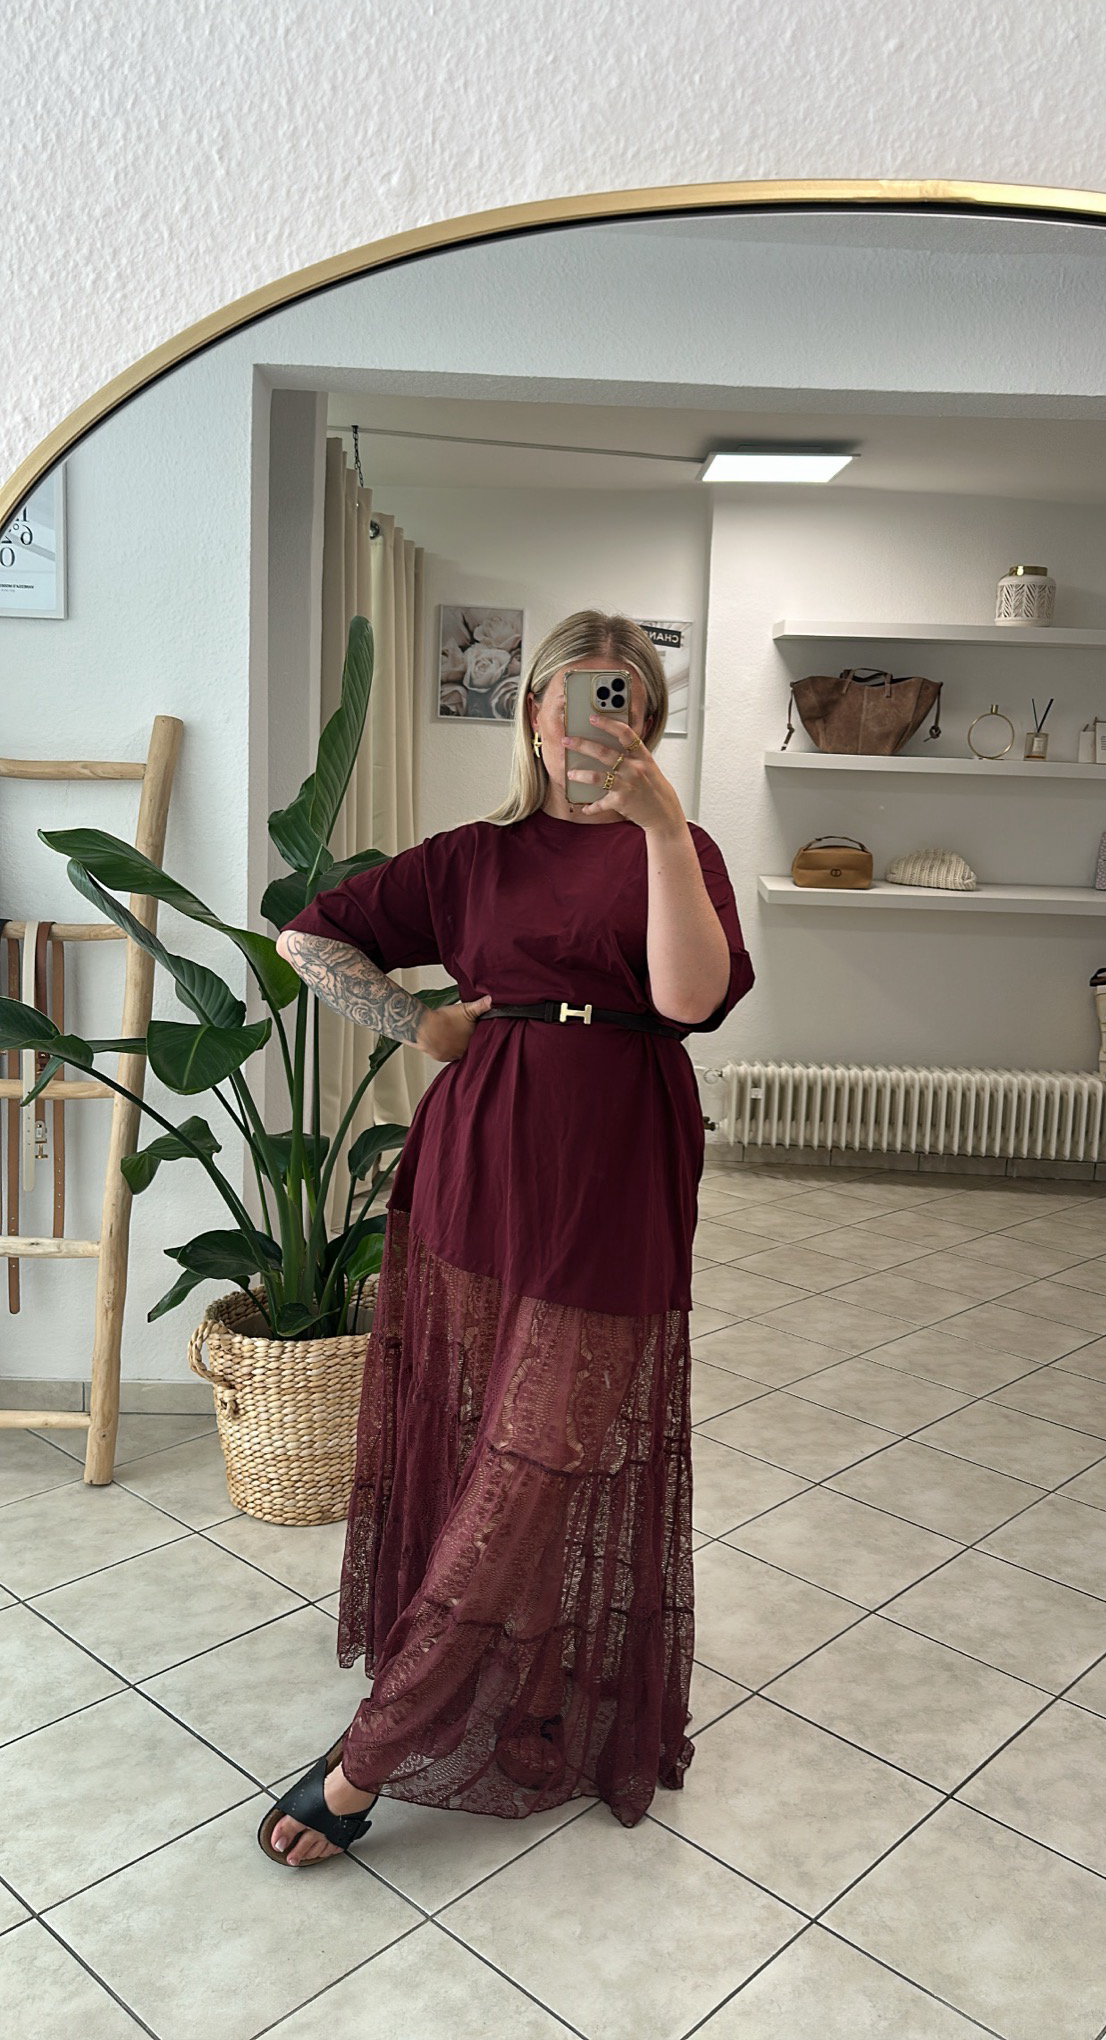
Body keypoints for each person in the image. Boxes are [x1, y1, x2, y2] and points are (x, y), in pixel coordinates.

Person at [261, 610, 754, 1867]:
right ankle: (507, 1675)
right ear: (532, 711)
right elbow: (307, 936)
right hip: (480, 1161)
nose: (599, 720)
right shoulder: (471, 857)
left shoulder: (681, 847)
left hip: (617, 1164)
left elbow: (690, 997)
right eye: (579, 694)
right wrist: (416, 1021)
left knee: (544, 1449)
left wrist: (658, 828)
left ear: (650, 721)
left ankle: (369, 1755)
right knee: (481, 1429)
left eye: (627, 697)